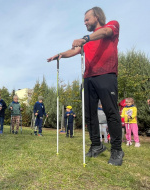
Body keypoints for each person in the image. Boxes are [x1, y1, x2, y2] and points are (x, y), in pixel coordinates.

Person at [47, 7, 124, 165]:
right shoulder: (87, 41)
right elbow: (74, 50)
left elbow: (105, 33)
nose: (85, 23)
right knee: (89, 114)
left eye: (87, 20)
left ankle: (117, 149)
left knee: (111, 112)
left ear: (96, 17)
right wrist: (60, 55)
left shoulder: (111, 26)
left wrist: (86, 38)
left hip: (106, 75)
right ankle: (96, 145)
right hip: (88, 78)